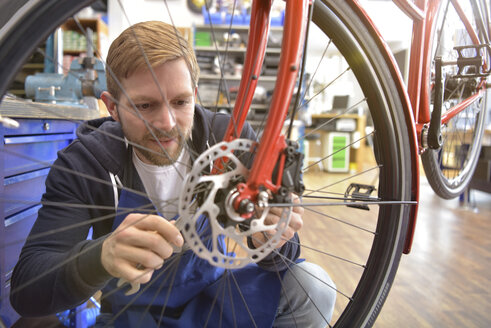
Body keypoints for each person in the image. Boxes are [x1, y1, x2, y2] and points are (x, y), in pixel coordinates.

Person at [10, 21, 335, 327]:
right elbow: (26, 291)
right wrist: (102, 257)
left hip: (217, 300)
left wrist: (270, 238)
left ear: (195, 93)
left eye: (180, 101)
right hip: (131, 314)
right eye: (145, 106)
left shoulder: (227, 137)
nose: (166, 122)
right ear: (112, 107)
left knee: (313, 287)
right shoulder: (85, 163)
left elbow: (284, 257)